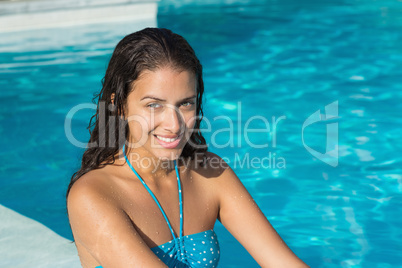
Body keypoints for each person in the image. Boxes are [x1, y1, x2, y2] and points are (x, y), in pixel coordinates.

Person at [67, 27, 309, 268]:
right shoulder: (93, 196)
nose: (174, 125)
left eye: (185, 104)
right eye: (154, 105)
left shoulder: (210, 174)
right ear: (119, 106)